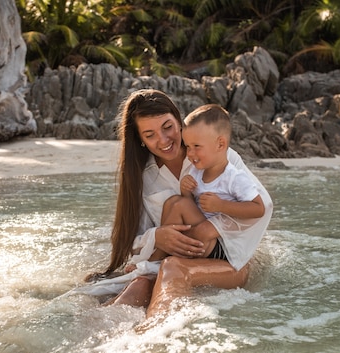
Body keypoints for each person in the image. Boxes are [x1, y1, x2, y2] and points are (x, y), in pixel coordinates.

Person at [93, 89, 273, 321]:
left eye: (167, 127)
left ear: (179, 121)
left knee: (168, 268)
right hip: (172, 256)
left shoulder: (216, 155)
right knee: (138, 286)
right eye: (150, 135)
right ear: (141, 140)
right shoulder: (143, 177)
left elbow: (262, 206)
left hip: (227, 260)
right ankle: (102, 334)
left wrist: (214, 226)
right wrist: (158, 236)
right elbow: (133, 241)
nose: (163, 140)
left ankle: (154, 333)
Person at [145, 103, 266, 264]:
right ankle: (164, 252)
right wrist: (186, 191)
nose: (190, 153)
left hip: (220, 245)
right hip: (200, 237)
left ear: (220, 145)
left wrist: (221, 205)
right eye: (188, 146)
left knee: (179, 205)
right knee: (173, 202)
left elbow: (259, 209)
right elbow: (190, 204)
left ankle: (158, 256)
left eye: (196, 146)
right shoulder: (197, 172)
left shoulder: (234, 177)